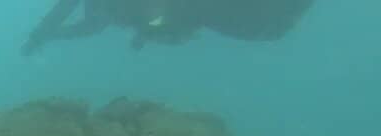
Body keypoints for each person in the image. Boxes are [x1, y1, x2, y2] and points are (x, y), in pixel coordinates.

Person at [22, 0, 315, 54]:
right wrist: (45, 35)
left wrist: (153, 21)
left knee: (267, 23)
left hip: (185, 12)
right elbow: (89, 26)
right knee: (267, 25)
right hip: (185, 18)